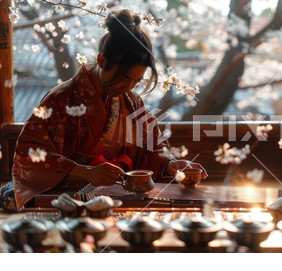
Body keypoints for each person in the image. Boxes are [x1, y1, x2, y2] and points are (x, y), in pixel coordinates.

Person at [1, 9, 206, 211]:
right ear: (101, 61)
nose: (128, 88)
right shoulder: (60, 100)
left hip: (115, 200)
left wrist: (170, 164)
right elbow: (28, 156)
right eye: (125, 78)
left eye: (137, 81)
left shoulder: (132, 102)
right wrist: (85, 172)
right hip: (66, 202)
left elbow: (153, 146)